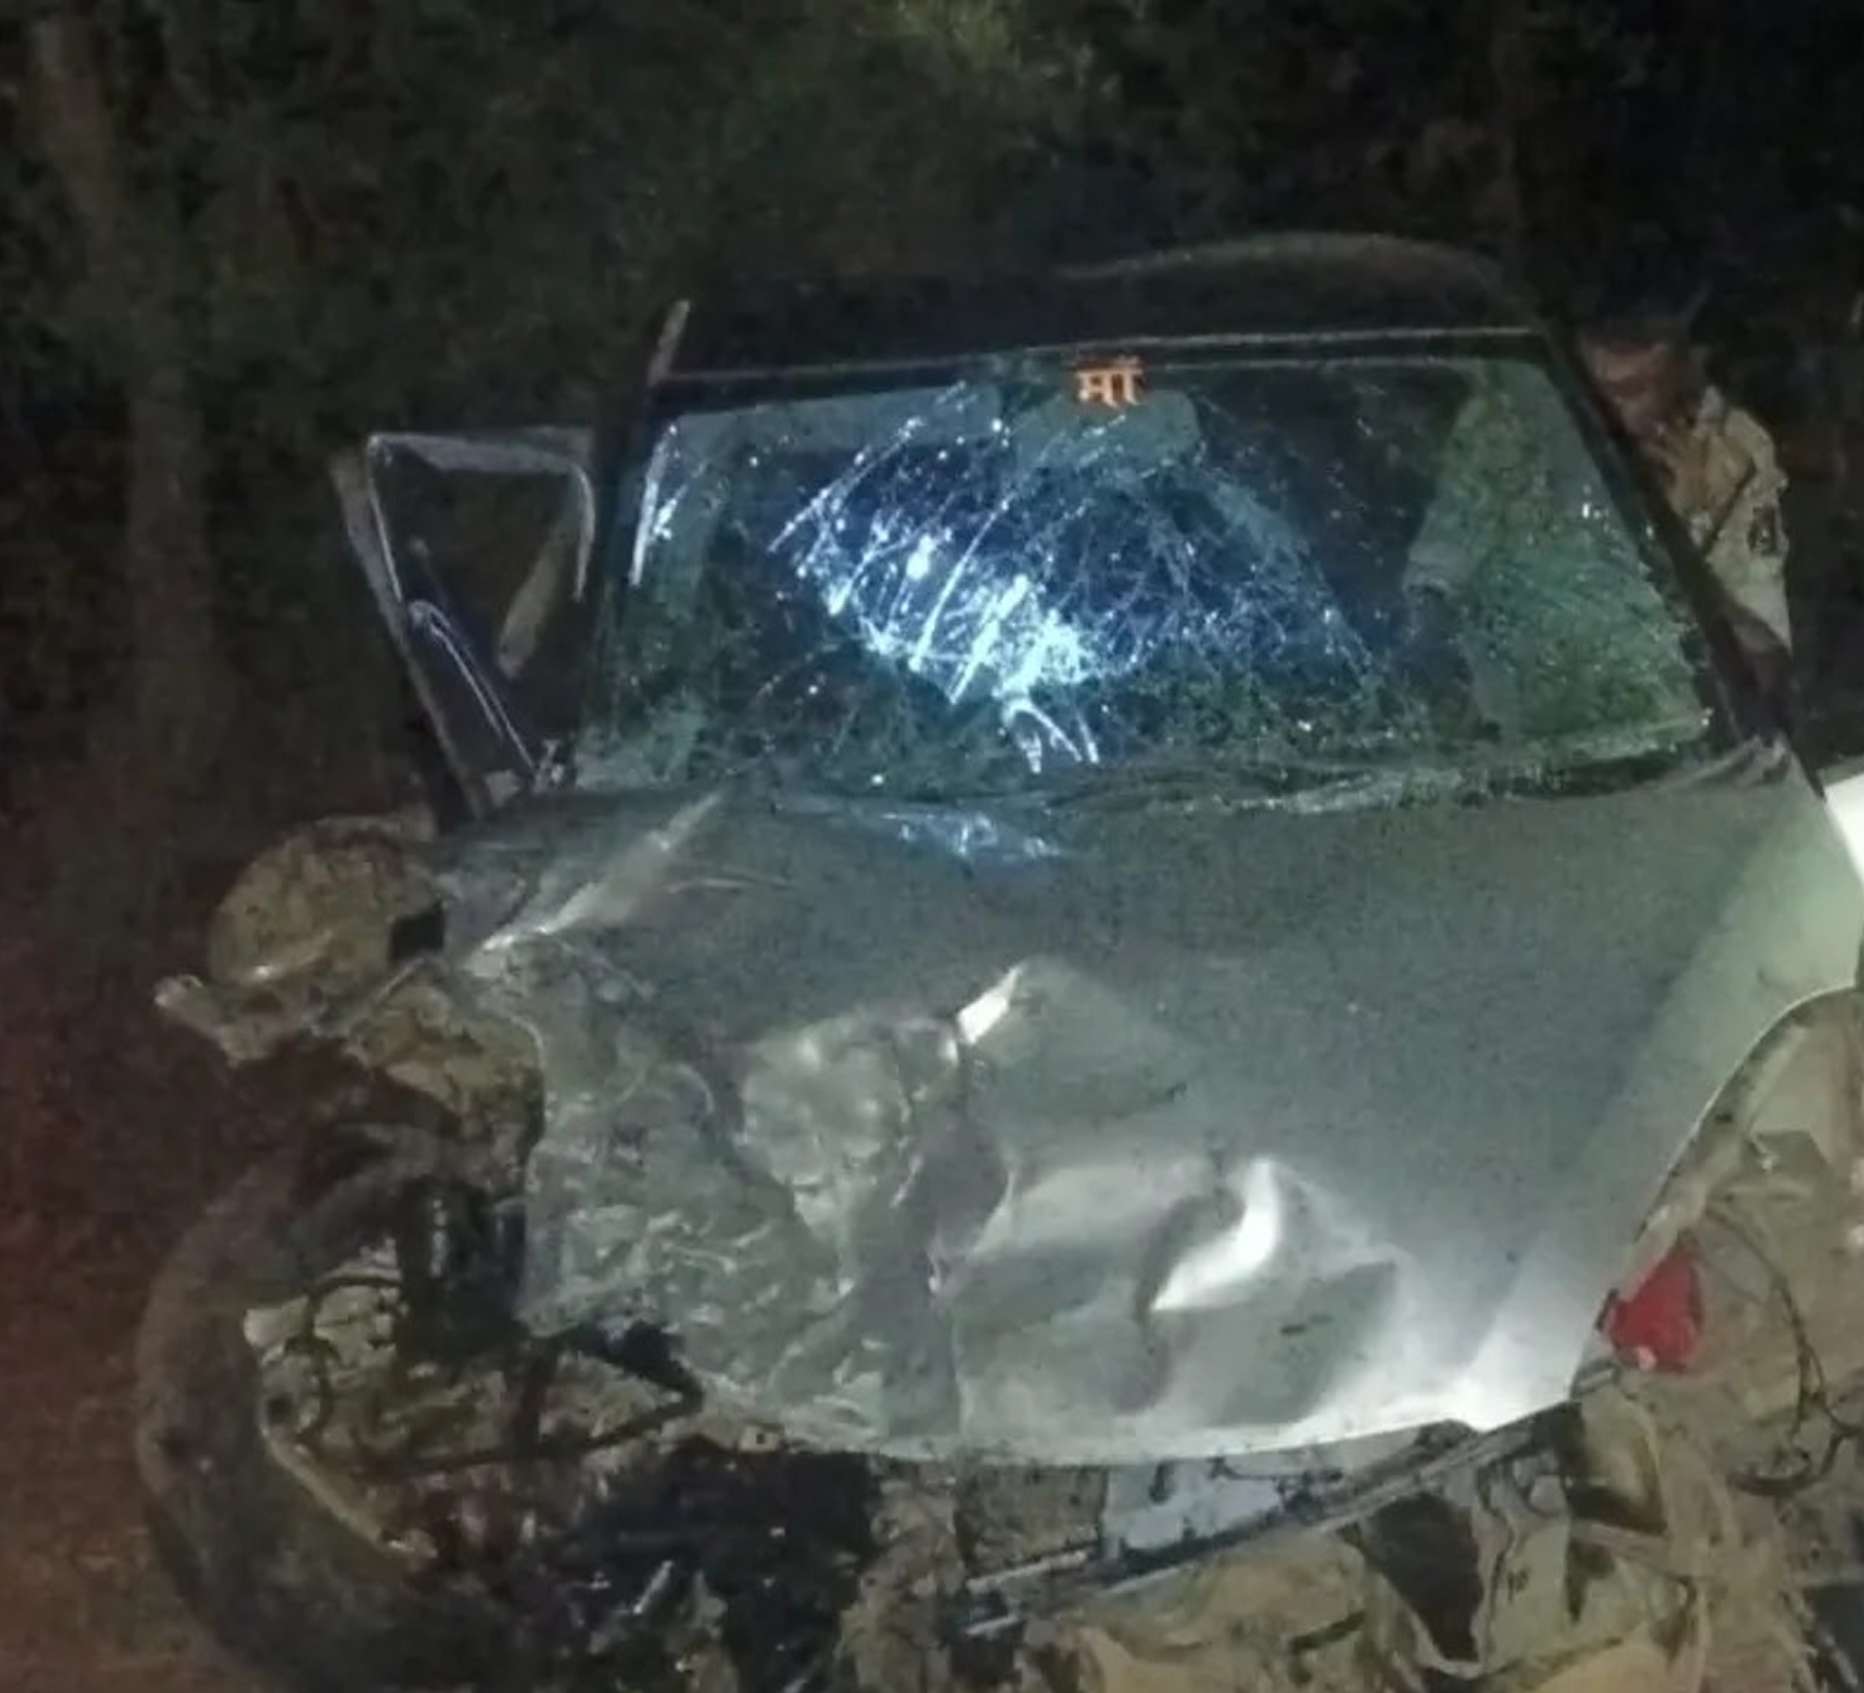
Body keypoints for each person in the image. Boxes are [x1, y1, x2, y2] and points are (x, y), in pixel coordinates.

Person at [1578, 309, 1793, 671]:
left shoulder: (1731, 455)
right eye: (1590, 391)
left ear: (1679, 384)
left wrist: (1675, 532)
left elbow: (1764, 664)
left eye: (1629, 392)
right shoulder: (1525, 418)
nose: (1603, 412)